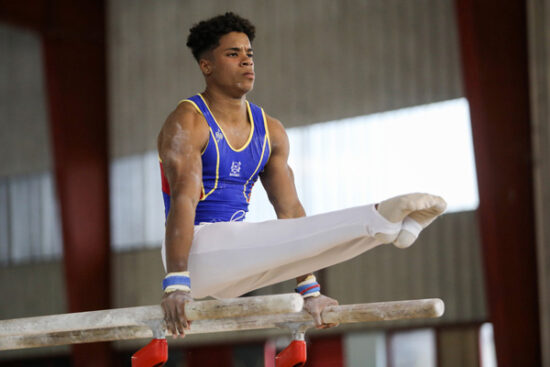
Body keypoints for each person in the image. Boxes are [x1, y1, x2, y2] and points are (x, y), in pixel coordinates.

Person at [157, 12, 447, 338]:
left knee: (297, 236)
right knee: (275, 237)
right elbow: (183, 196)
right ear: (206, 66)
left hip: (236, 261)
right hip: (192, 253)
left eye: (249, 54)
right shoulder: (188, 120)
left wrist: (310, 291)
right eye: (233, 54)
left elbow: (292, 213)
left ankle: (390, 229)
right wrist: (176, 283)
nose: (246, 62)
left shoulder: (271, 131)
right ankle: (381, 218)